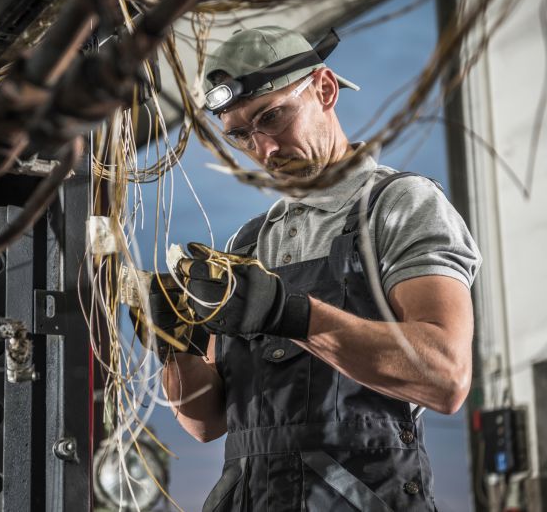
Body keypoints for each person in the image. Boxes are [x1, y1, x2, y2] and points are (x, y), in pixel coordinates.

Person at [137, 26, 482, 511]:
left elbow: (446, 377)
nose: (265, 150)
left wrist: (291, 315)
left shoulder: (400, 205)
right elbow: (207, 422)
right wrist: (174, 345)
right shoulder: (247, 243)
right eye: (240, 135)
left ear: (323, 89)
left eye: (272, 118)